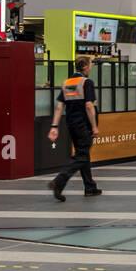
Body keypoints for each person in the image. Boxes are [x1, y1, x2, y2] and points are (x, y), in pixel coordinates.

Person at [48, 55, 102, 200]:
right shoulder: (86, 82)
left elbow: (60, 106)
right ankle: (59, 181)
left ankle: (90, 187)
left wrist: (54, 126)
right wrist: (94, 126)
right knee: (81, 155)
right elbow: (89, 106)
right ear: (84, 66)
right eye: (90, 64)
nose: (91, 67)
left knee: (83, 154)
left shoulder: (67, 82)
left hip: (71, 125)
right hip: (83, 125)